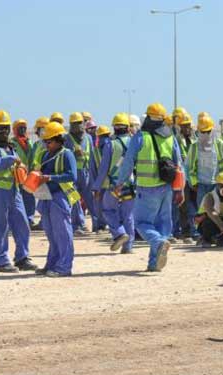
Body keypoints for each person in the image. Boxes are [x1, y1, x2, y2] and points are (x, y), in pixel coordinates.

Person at [115, 103, 184, 271]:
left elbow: (128, 162)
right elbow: (179, 164)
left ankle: (158, 242)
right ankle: (154, 263)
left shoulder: (140, 137)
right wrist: (180, 189)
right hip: (166, 188)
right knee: (162, 225)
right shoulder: (170, 137)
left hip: (146, 188)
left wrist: (120, 182)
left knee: (141, 223)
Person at [0, 110, 37, 273]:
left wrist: (21, 168)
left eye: (6, 128)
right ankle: (1, 260)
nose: (4, 131)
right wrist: (9, 159)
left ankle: (22, 257)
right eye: (0, 128)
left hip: (14, 190)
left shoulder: (10, 146)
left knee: (22, 223)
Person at [34, 122, 79, 276]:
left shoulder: (67, 154)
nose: (47, 145)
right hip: (46, 196)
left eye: (50, 141)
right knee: (51, 234)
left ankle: (64, 267)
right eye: (45, 142)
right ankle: (51, 264)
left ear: (59, 140)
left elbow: (72, 175)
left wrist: (50, 178)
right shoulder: (45, 155)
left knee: (62, 233)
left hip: (60, 197)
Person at [98, 114, 136, 254]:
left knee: (108, 210)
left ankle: (119, 233)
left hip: (114, 185)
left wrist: (96, 187)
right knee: (128, 215)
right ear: (128, 127)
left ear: (114, 127)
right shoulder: (134, 143)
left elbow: (103, 168)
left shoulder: (110, 144)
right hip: (130, 184)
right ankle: (128, 246)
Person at [186, 114, 223, 212]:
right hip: (201, 185)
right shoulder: (194, 147)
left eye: (208, 131)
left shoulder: (220, 144)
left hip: (217, 184)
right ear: (198, 131)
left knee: (217, 211)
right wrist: (194, 183)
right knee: (202, 212)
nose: (206, 134)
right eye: (203, 132)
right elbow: (188, 167)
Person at [66, 112, 97, 235]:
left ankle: (97, 224)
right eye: (74, 124)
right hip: (73, 173)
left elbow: (93, 156)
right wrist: (73, 153)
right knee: (75, 199)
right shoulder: (67, 138)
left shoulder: (88, 138)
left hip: (86, 172)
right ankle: (78, 225)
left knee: (91, 199)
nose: (77, 126)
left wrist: (94, 174)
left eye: (79, 123)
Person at [173, 113, 197, 243]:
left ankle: (195, 230)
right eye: (184, 126)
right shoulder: (177, 140)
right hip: (183, 178)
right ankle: (186, 232)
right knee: (184, 206)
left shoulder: (194, 139)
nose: (187, 128)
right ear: (180, 127)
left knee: (195, 204)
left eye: (188, 125)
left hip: (194, 178)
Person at [11, 119, 36, 226]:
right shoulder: (12, 143)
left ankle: (30, 219)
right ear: (15, 130)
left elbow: (33, 157)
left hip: (29, 174)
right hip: (17, 175)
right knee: (18, 198)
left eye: (24, 128)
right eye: (19, 128)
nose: (22, 130)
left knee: (29, 197)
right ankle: (19, 221)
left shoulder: (29, 142)